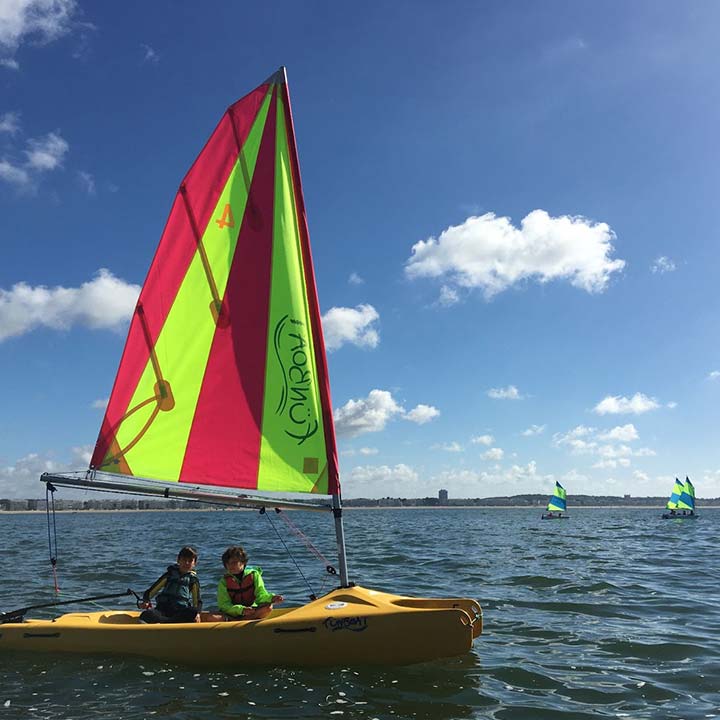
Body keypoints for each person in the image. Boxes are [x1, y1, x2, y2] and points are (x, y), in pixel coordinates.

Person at [217, 545, 283, 620]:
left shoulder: (254, 575)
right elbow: (224, 605)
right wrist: (241, 610)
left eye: (234, 562)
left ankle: (243, 620)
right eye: (228, 563)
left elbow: (261, 595)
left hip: (252, 610)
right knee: (211, 617)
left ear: (243, 562)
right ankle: (246, 620)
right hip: (233, 613)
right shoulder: (224, 581)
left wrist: (271, 598)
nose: (230, 566)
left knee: (268, 607)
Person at [139, 545, 202, 623]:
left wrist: (198, 614)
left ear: (194, 563)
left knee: (192, 611)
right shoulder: (169, 575)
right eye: (184, 560)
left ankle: (166, 622)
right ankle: (168, 622)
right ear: (178, 560)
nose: (186, 563)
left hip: (179, 611)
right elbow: (152, 590)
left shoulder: (193, 580)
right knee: (146, 614)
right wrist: (146, 601)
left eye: (190, 561)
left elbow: (197, 601)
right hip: (163, 610)